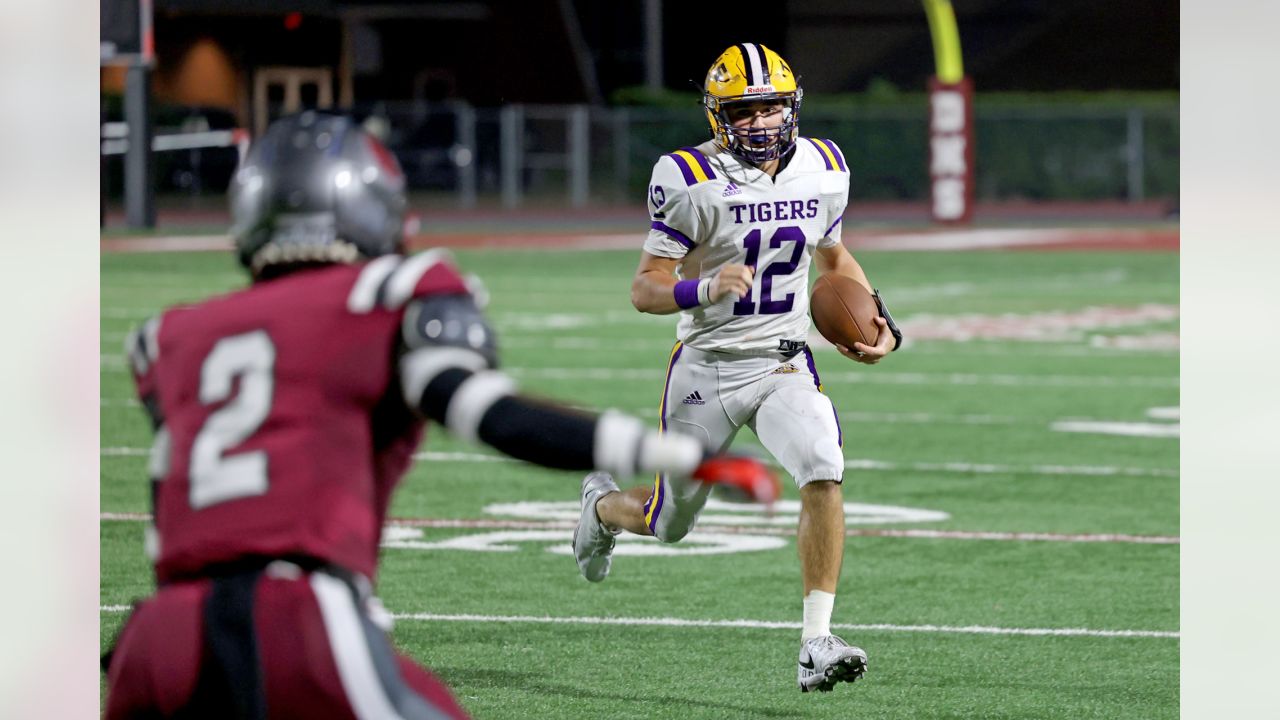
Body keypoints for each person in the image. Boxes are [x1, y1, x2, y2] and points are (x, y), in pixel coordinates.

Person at [102, 111, 776, 719]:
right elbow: (489, 415)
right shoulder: (390, 290)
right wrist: (678, 455)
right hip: (292, 614)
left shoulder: (170, 335)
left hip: (155, 642)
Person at [571, 43, 903, 694]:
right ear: (719, 115)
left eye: (771, 106)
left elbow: (835, 262)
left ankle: (817, 642)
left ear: (793, 106)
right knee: (669, 524)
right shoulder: (687, 176)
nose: (760, 121)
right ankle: (603, 509)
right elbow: (645, 289)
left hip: (783, 363)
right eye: (744, 110)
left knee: (823, 462)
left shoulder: (825, 166)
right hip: (708, 369)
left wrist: (882, 325)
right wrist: (704, 289)